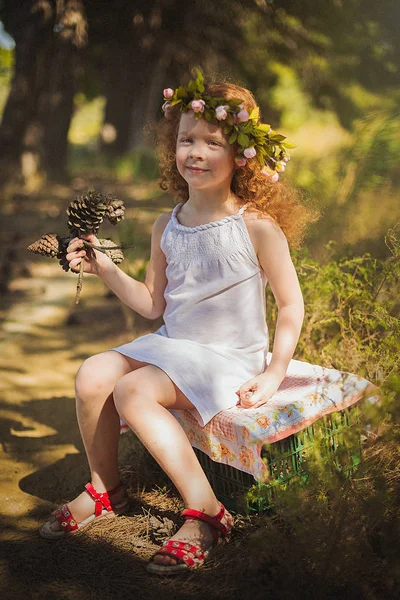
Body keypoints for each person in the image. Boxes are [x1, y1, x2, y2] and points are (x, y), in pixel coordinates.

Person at [39, 69, 315, 575]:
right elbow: (151, 304)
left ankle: (208, 512)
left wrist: (274, 371)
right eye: (187, 139)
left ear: (241, 157)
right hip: (176, 345)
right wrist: (103, 265)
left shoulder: (255, 226)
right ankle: (106, 490)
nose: (197, 152)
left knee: (135, 391)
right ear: (173, 148)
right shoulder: (167, 223)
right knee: (92, 374)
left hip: (228, 358)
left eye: (213, 142)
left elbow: (291, 305)